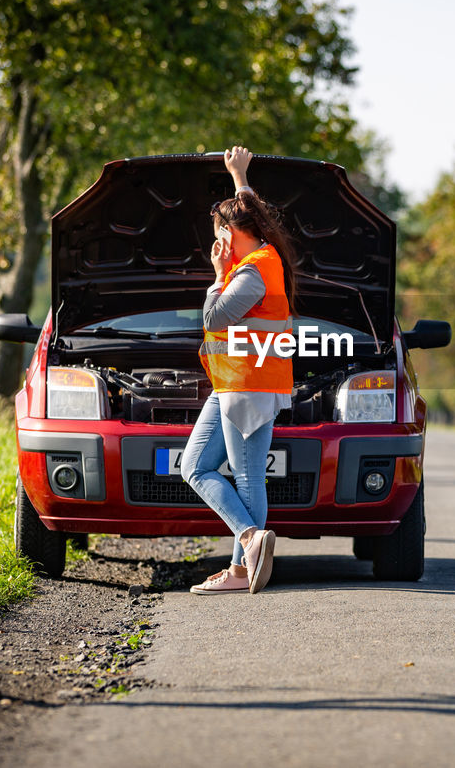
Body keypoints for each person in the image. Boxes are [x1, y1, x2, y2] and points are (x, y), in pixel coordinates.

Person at [183, 145, 298, 594]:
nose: (218, 241)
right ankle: (246, 552)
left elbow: (214, 319)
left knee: (246, 476)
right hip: (234, 382)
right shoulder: (265, 256)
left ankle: (244, 553)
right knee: (195, 466)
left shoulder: (250, 273)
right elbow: (252, 217)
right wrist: (239, 177)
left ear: (232, 233)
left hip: (247, 386)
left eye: (220, 232)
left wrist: (216, 275)